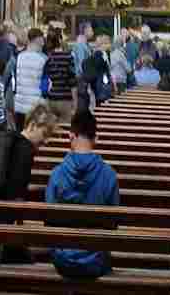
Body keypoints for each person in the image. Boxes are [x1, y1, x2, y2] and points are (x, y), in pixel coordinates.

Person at [45, 108, 119, 279]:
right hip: (96, 260)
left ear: (71, 136)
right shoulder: (109, 174)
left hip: (62, 260)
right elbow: (114, 223)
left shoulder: (57, 174)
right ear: (96, 139)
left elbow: (48, 219)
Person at [0, 103, 57, 210]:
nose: (46, 141)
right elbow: (17, 194)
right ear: (32, 125)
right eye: (45, 134)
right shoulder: (25, 148)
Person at [14, 27, 47, 117]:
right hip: (35, 106)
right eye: (42, 39)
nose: (44, 42)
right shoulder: (43, 59)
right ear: (38, 39)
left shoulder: (19, 57)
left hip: (19, 104)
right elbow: (45, 84)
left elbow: (15, 81)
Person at [41, 32, 75, 110]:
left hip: (52, 98)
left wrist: (45, 96)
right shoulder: (68, 58)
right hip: (65, 98)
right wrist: (74, 101)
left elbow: (44, 79)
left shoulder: (48, 59)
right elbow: (72, 81)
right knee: (65, 121)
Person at [80, 35, 112, 107]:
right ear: (103, 44)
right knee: (101, 103)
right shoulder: (100, 54)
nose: (110, 45)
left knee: (100, 102)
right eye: (108, 43)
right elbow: (103, 70)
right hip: (101, 83)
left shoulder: (99, 53)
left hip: (98, 83)